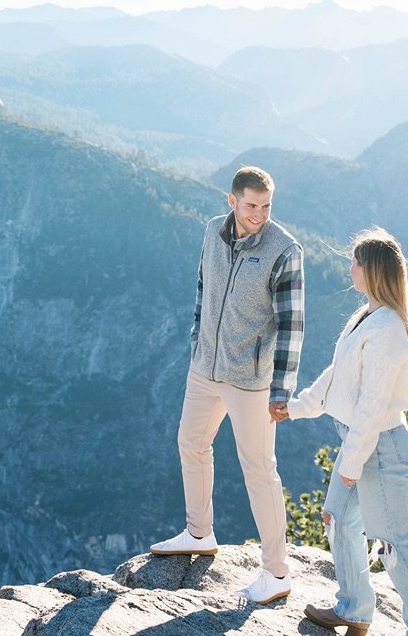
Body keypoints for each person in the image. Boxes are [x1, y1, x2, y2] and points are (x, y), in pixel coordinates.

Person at [149, 165, 305, 606]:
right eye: (252, 205)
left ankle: (276, 573)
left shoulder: (284, 250)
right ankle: (199, 532)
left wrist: (282, 388)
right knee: (191, 443)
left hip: (251, 381)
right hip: (205, 367)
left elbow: (293, 326)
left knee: (259, 469)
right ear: (232, 201)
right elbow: (203, 287)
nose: (260, 214)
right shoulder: (213, 231)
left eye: (266, 206)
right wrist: (197, 339)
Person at [287, 227, 408, 636]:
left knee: (394, 544)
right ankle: (354, 609)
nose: (350, 267)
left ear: (372, 270)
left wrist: (352, 464)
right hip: (361, 442)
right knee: (338, 519)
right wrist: (295, 408)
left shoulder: (389, 331)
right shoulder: (366, 316)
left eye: (356, 261)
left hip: (381, 446)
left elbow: (372, 409)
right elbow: (337, 376)